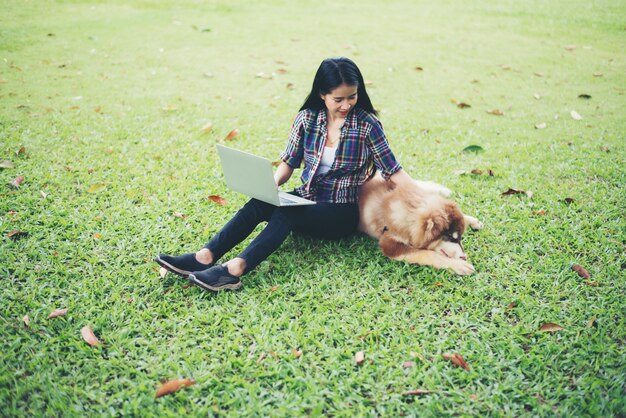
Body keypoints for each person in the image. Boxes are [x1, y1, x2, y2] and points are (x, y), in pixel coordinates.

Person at [155, 57, 414, 291]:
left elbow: (393, 171)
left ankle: (234, 270)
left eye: (352, 97)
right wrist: (271, 186)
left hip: (339, 211)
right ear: (323, 94)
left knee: (287, 211)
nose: (346, 104)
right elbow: (288, 164)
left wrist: (421, 199)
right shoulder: (307, 119)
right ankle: (205, 257)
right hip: (305, 198)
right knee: (260, 203)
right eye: (339, 99)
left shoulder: (368, 125)